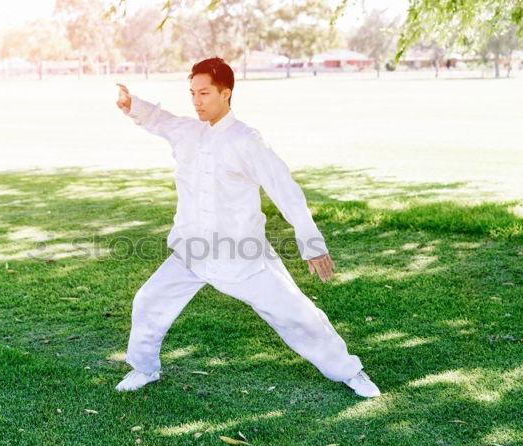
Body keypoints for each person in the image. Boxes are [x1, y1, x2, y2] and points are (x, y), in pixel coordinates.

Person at [114, 57, 380, 398]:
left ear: (226, 93)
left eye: (204, 93)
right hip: (192, 250)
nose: (196, 101)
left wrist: (311, 243)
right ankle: (144, 369)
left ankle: (350, 371)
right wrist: (131, 104)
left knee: (296, 314)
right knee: (149, 300)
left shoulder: (247, 141)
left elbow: (285, 189)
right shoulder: (188, 133)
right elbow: (159, 120)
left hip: (242, 255)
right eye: (192, 93)